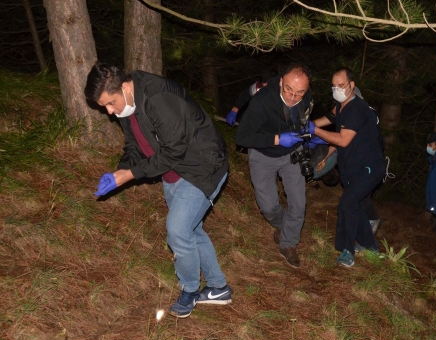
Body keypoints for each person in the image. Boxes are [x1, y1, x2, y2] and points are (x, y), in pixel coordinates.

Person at [85, 63, 231, 318]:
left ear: (125, 86)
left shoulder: (159, 98)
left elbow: (175, 151)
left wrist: (131, 174)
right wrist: (120, 171)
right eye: (104, 107)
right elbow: (134, 146)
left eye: (110, 103)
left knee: (177, 231)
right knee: (190, 230)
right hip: (174, 172)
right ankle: (218, 288)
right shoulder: (128, 104)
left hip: (203, 167)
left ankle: (190, 289)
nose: (109, 111)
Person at [235, 63, 319, 268]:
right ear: (281, 81)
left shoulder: (306, 98)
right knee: (269, 206)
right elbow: (242, 137)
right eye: (288, 89)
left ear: (306, 90)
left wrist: (305, 133)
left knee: (298, 204)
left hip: (292, 154)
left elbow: (303, 118)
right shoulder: (262, 101)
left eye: (299, 92)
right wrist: (277, 139)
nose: (292, 97)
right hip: (264, 154)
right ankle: (285, 224)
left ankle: (288, 244)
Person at [306, 67, 386, 267]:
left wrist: (314, 130)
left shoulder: (357, 108)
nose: (337, 90)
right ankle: (370, 246)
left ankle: (346, 250)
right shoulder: (341, 106)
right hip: (351, 167)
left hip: (368, 168)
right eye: (334, 86)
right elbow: (329, 119)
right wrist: (305, 126)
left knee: (347, 204)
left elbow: (342, 139)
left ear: (352, 85)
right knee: (356, 206)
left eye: (341, 86)